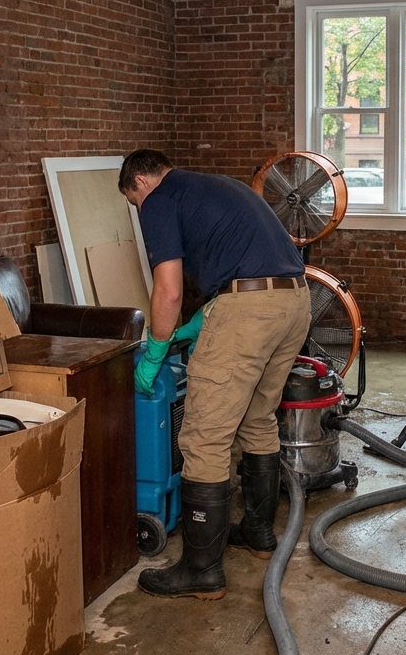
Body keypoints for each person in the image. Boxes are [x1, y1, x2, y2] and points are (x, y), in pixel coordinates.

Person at [120, 149, 311, 600]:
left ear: (141, 182)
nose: (139, 209)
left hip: (248, 311)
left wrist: (156, 351)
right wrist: (203, 320)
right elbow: (248, 260)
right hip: (296, 300)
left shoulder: (160, 199)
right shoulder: (219, 185)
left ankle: (201, 570)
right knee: (257, 418)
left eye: (134, 201)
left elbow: (167, 290)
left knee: (204, 437)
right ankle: (260, 534)